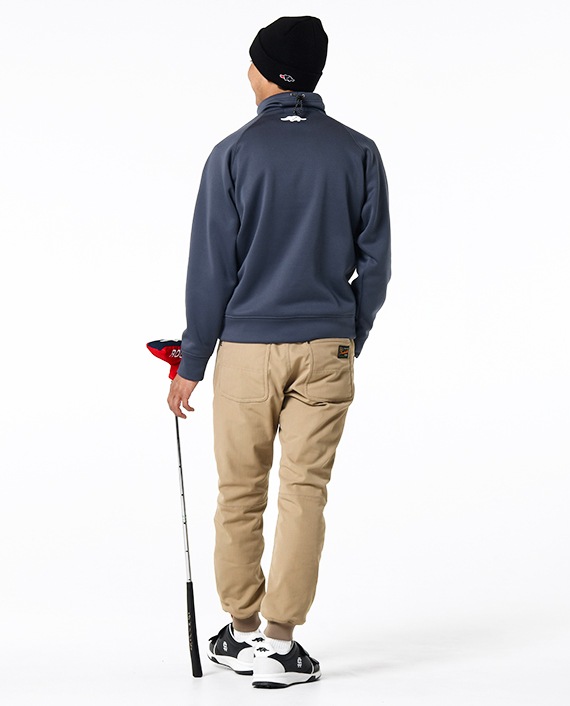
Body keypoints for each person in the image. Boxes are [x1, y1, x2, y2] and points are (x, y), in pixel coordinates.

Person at [167, 15, 391, 688]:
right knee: (304, 493)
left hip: (244, 350)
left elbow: (211, 268)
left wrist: (191, 362)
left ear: (265, 73)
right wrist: (349, 336)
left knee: (239, 492)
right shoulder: (358, 151)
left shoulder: (232, 153)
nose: (247, 72)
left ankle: (240, 633)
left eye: (252, 62)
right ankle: (280, 644)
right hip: (327, 347)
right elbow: (375, 265)